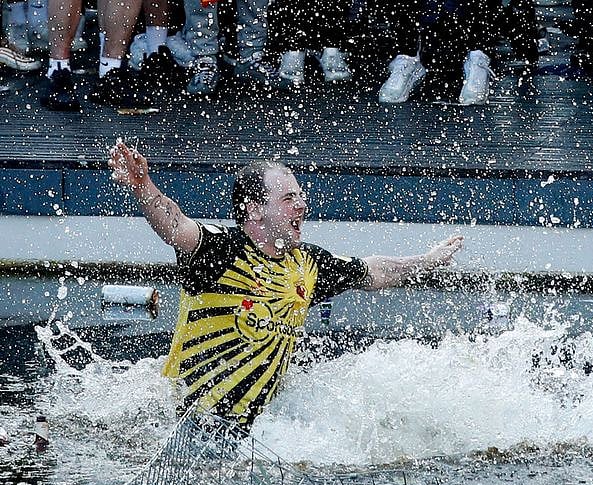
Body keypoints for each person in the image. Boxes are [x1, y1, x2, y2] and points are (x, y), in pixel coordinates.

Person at [108, 140, 464, 426]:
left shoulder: (307, 264)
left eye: (301, 197)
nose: (302, 206)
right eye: (289, 198)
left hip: (259, 430)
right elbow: (176, 227)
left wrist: (427, 261)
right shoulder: (221, 250)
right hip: (189, 420)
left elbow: (374, 272)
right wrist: (144, 187)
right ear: (254, 210)